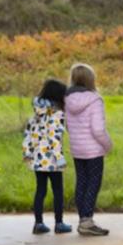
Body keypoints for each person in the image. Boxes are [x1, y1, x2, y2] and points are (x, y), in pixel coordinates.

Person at [64, 62, 113, 236]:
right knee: (93, 183)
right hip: (93, 151)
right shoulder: (95, 99)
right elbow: (98, 130)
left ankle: (83, 220)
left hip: (78, 149)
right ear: (90, 79)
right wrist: (108, 145)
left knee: (82, 183)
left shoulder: (67, 99)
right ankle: (87, 222)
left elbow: (67, 125)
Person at [22, 78, 72, 235]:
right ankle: (59, 223)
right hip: (52, 160)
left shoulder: (36, 115)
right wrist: (60, 157)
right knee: (57, 191)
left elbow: (28, 135)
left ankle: (38, 223)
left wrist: (27, 153)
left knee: (40, 191)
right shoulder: (57, 114)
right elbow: (54, 137)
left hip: (37, 159)